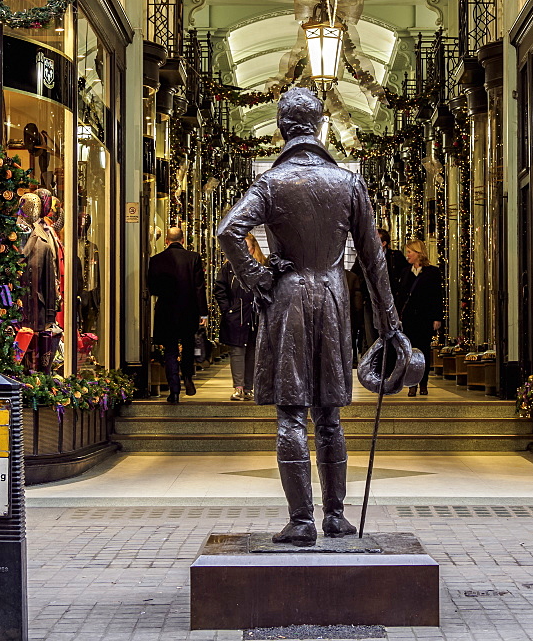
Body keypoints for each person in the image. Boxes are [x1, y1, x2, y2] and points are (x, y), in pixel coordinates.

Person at [217, 87, 400, 546]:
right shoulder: (348, 183)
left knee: (291, 415)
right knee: (330, 417)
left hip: (289, 299)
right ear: (319, 126)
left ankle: (301, 522)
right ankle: (335, 516)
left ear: (282, 128)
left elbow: (228, 230)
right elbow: (374, 261)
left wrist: (257, 279)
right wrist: (390, 325)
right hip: (334, 297)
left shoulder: (272, 183)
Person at [147, 226, 208, 402]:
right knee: (188, 345)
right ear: (183, 240)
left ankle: (174, 390)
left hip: (166, 310)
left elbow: (153, 288)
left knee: (170, 350)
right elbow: (199, 288)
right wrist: (203, 313)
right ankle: (188, 376)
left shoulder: (156, 260)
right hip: (188, 310)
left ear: (166, 240)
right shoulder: (193, 258)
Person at [215, 232, 264, 401]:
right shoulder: (229, 268)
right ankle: (239, 387)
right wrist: (228, 309)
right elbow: (220, 289)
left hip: (255, 315)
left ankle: (249, 387)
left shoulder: (261, 266)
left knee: (252, 351)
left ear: (252, 249)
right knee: (237, 350)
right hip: (237, 315)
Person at [396, 238, 443, 397]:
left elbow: (437, 296)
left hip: (425, 318)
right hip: (409, 318)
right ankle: (411, 384)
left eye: (409, 252)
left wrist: (437, 317)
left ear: (418, 253)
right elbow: (401, 296)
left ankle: (423, 383)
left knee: (422, 351)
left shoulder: (432, 272)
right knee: (409, 352)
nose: (407, 255)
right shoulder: (404, 272)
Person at [352, 228, 408, 350]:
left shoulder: (395, 257)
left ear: (384, 243)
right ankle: (374, 364)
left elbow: (405, 277)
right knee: (371, 335)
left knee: (390, 333)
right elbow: (355, 275)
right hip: (370, 301)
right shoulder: (364, 257)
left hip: (390, 302)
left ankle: (389, 362)